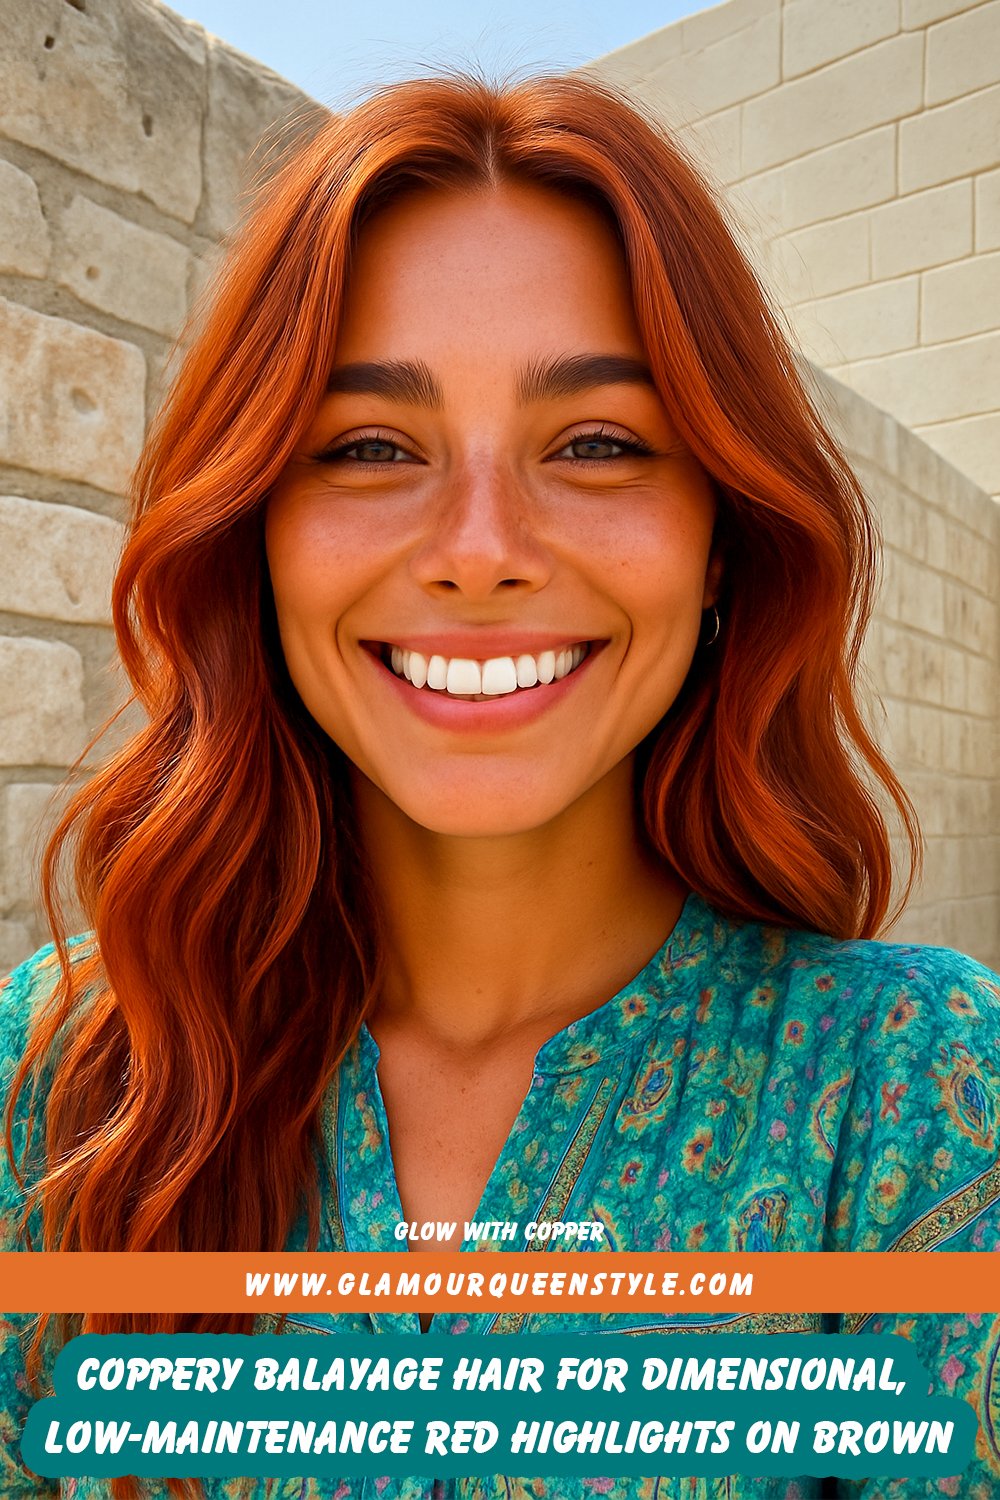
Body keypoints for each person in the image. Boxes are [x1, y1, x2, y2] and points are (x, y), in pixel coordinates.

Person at [1, 68, 998, 1500]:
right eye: (367, 448)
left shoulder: (921, 1095)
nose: (480, 548)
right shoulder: (68, 1069)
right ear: (255, 535)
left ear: (721, 539)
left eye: (595, 445)